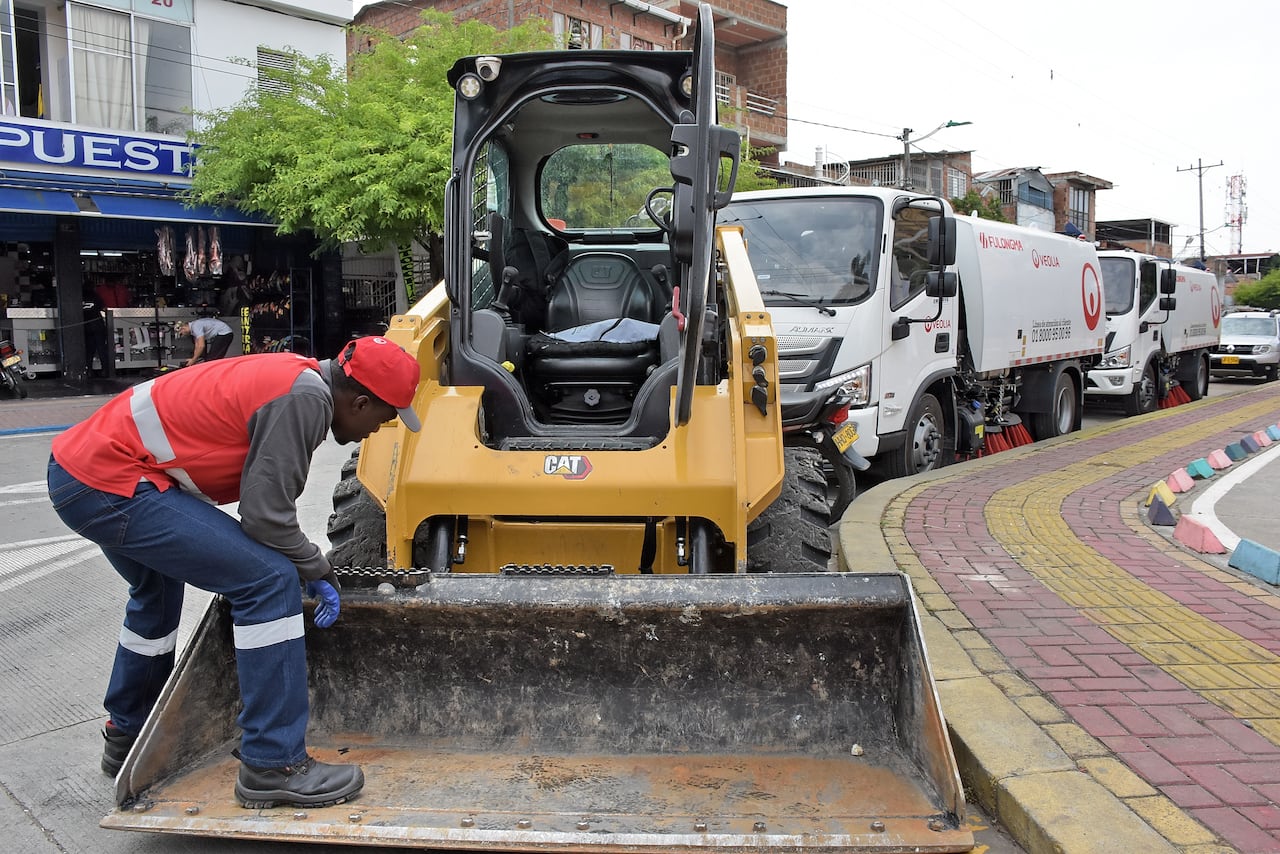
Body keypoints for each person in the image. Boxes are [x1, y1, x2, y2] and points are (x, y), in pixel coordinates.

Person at [46, 336, 422, 808]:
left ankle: (129, 729)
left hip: (81, 468)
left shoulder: (298, 377)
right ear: (360, 401)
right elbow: (266, 518)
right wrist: (316, 567)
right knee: (268, 582)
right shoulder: (305, 400)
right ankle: (273, 763)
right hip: (110, 480)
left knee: (156, 591)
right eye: (383, 418)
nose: (378, 429)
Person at [83, 288, 110, 377]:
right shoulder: (96, 296)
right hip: (97, 325)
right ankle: (105, 370)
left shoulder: (79, 297)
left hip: (86, 325)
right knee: (101, 348)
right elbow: (104, 308)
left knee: (89, 350)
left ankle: (89, 371)